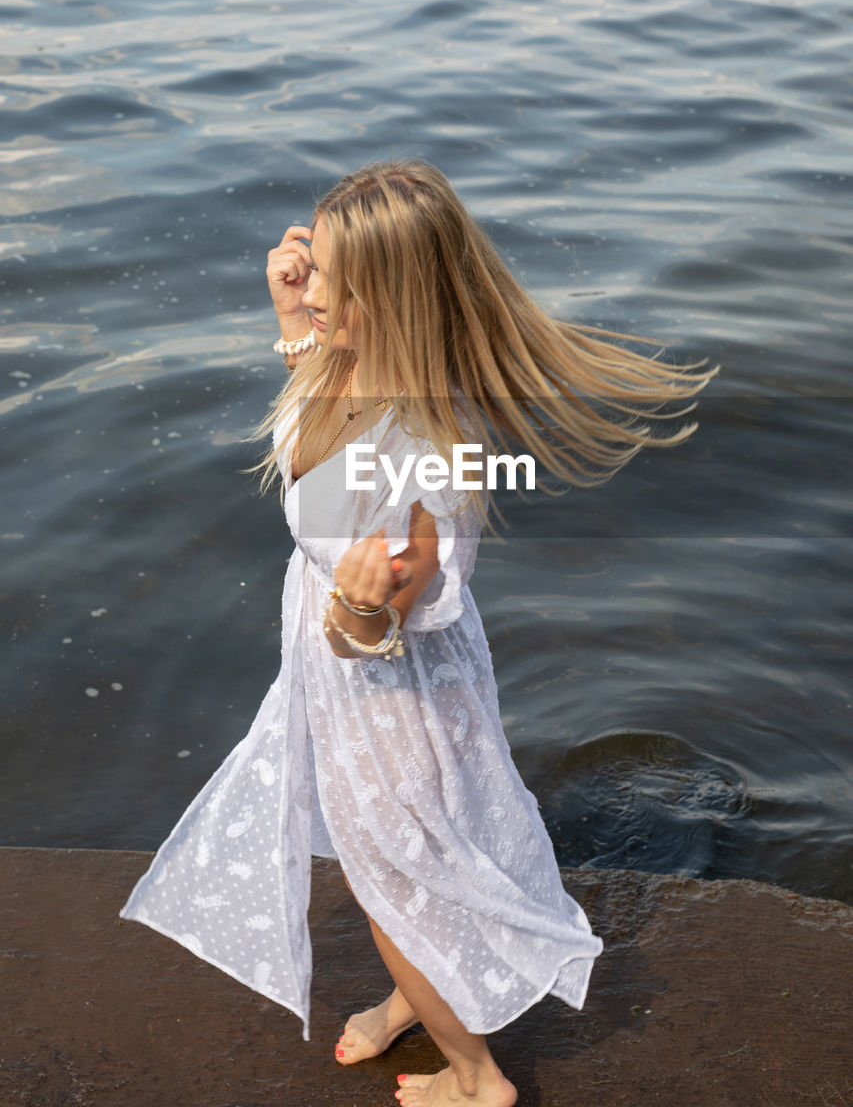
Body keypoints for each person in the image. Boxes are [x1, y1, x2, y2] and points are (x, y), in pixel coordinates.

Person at [121, 160, 719, 1107]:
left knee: (391, 881)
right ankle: (417, 997)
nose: (304, 282)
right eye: (308, 262)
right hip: (346, 681)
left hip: (386, 700)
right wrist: (294, 321)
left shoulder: (422, 467)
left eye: (325, 281)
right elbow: (319, 422)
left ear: (388, 303)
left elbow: (382, 633)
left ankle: (476, 1077)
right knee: (415, 864)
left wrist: (360, 609)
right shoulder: (358, 365)